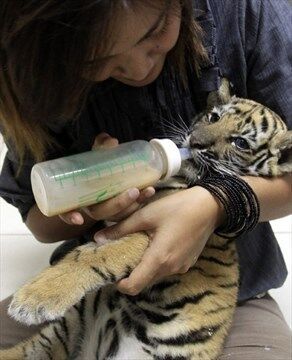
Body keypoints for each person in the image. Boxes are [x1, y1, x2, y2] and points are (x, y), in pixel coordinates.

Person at [0, 0, 291, 358]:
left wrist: (218, 203)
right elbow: (39, 222)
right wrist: (91, 201)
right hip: (87, 288)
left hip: (227, 301)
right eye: (97, 62)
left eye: (154, 32)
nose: (139, 69)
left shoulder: (246, 12)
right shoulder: (33, 63)